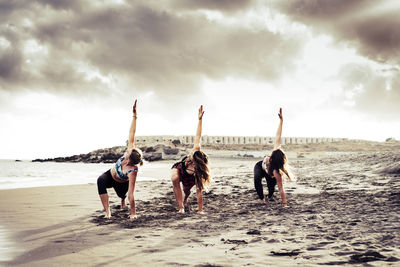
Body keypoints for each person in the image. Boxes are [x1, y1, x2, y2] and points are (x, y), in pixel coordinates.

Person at [97, 99, 143, 219]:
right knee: (100, 180)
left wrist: (133, 213)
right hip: (110, 175)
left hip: (121, 182)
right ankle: (107, 211)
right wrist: (134, 116)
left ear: (129, 159)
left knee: (122, 194)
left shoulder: (133, 171)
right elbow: (131, 133)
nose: (126, 151)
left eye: (127, 152)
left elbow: (131, 194)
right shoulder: (130, 150)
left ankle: (122, 202)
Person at [171, 105, 211, 214]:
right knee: (174, 178)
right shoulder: (196, 150)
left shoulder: (198, 171)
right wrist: (200, 119)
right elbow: (198, 135)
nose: (190, 155)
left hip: (190, 175)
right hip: (180, 168)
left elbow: (199, 191)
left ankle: (185, 199)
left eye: (192, 157)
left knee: (187, 191)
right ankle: (181, 208)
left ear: (195, 162)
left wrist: (200, 210)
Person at [253, 108, 295, 207]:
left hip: (270, 173)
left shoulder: (276, 172)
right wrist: (281, 121)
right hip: (260, 166)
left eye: (271, 158)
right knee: (257, 178)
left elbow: (281, 188)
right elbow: (278, 136)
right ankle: (262, 199)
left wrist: (284, 204)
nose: (270, 157)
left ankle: (269, 196)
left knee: (271, 189)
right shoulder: (276, 151)